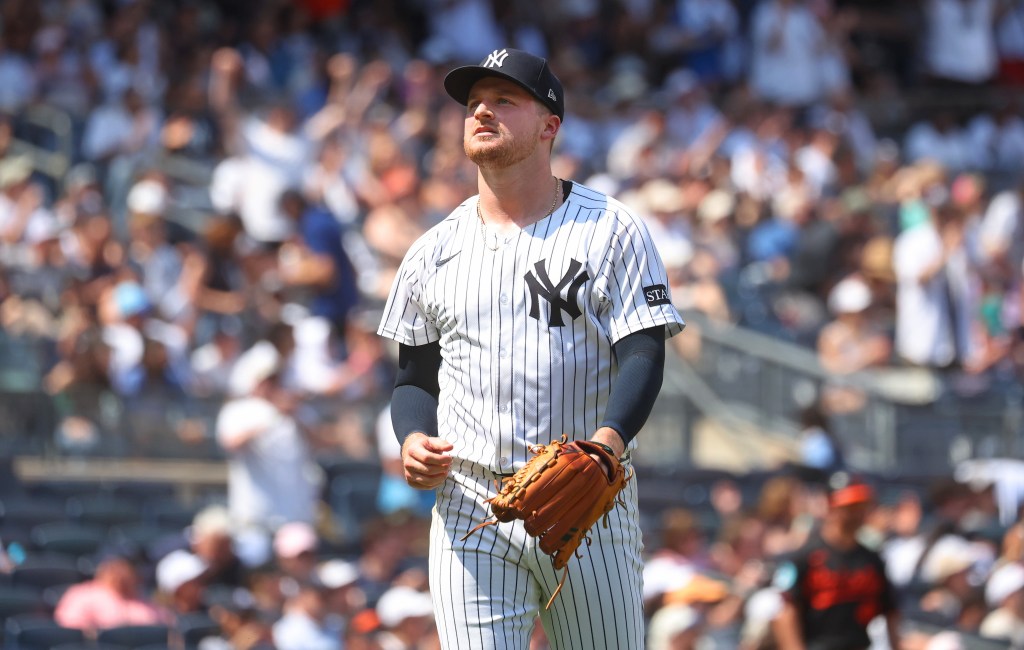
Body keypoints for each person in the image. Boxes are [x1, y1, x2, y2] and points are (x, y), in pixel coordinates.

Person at [377, 47, 685, 649]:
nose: (482, 112)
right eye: (473, 104)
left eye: (504, 100)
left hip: (588, 499)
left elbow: (644, 352)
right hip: (471, 504)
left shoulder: (610, 228)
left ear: (550, 126)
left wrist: (606, 447)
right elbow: (414, 379)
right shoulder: (431, 252)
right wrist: (413, 440)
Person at [772, 473, 902, 650]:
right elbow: (785, 613)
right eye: (849, 507)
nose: (856, 513)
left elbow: (890, 611)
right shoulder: (804, 557)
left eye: (860, 506)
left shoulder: (872, 559)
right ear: (831, 507)